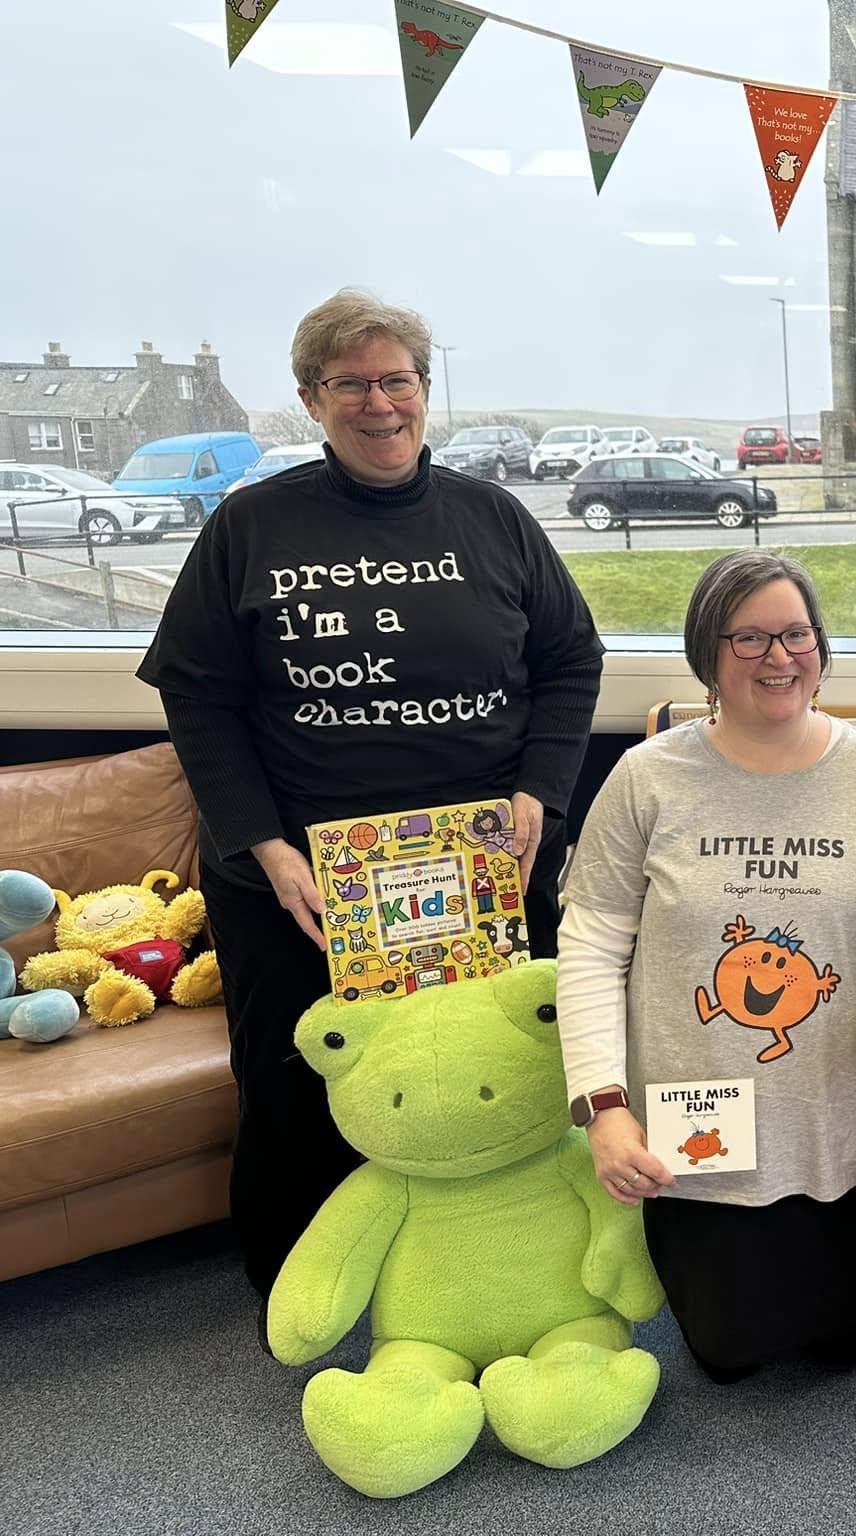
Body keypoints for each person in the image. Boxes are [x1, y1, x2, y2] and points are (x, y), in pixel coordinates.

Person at [137, 288, 604, 1317]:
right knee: (300, 1076)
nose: (379, 403)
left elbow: (571, 659)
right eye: (351, 383)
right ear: (311, 399)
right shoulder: (252, 526)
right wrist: (261, 846)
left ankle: (510, 1278)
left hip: (477, 866)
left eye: (397, 380)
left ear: (425, 392)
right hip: (300, 879)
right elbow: (197, 695)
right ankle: (304, 1285)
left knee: (495, 1069)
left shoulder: (494, 519)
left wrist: (540, 796)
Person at [556, 551, 856, 1384]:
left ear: (822, 648)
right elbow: (588, 950)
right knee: (726, 1353)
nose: (778, 657)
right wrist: (603, 1107)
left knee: (838, 1352)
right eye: (749, 638)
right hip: (698, 1133)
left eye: (796, 634)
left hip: (840, 1129)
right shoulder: (646, 778)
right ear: (707, 655)